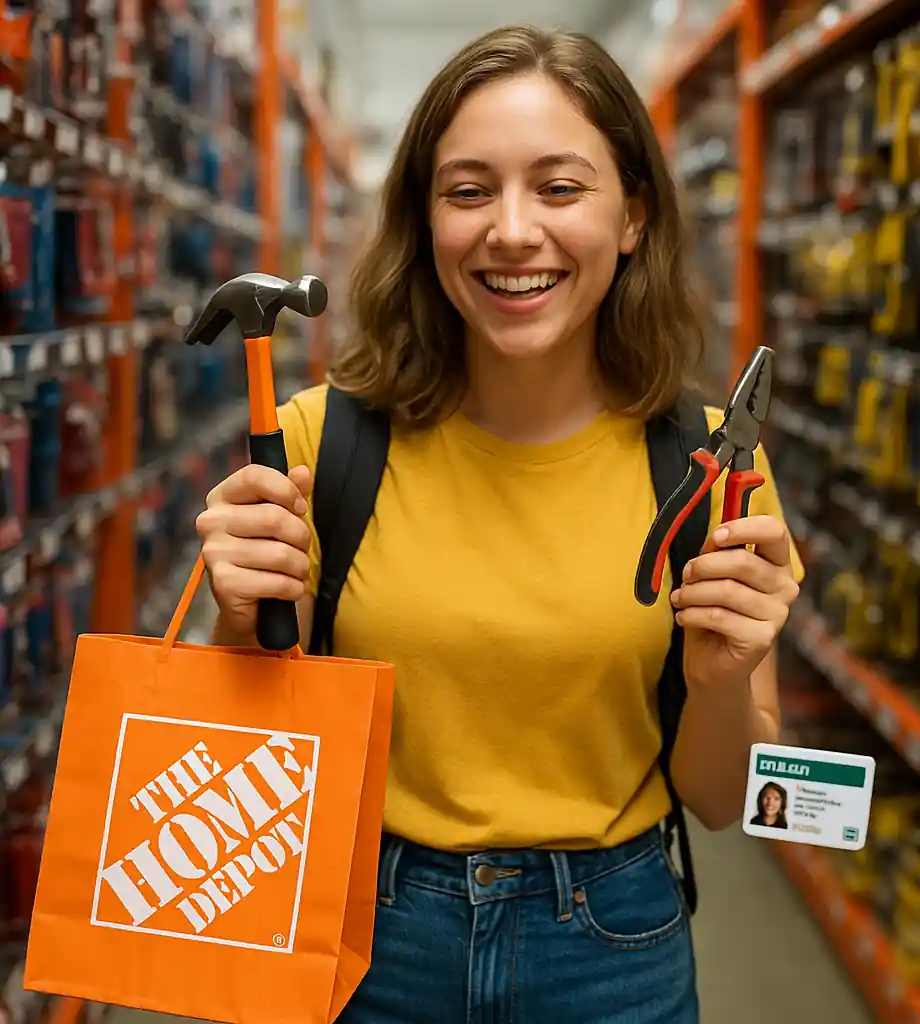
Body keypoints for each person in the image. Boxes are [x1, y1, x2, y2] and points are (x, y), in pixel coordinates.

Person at [196, 24, 803, 1024]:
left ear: (633, 217)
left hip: (616, 949)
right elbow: (229, 766)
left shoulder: (709, 467)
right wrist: (235, 621)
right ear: (424, 221)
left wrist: (722, 680)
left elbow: (720, 795)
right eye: (468, 190)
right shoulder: (314, 443)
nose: (511, 232)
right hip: (362, 935)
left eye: (560, 188)